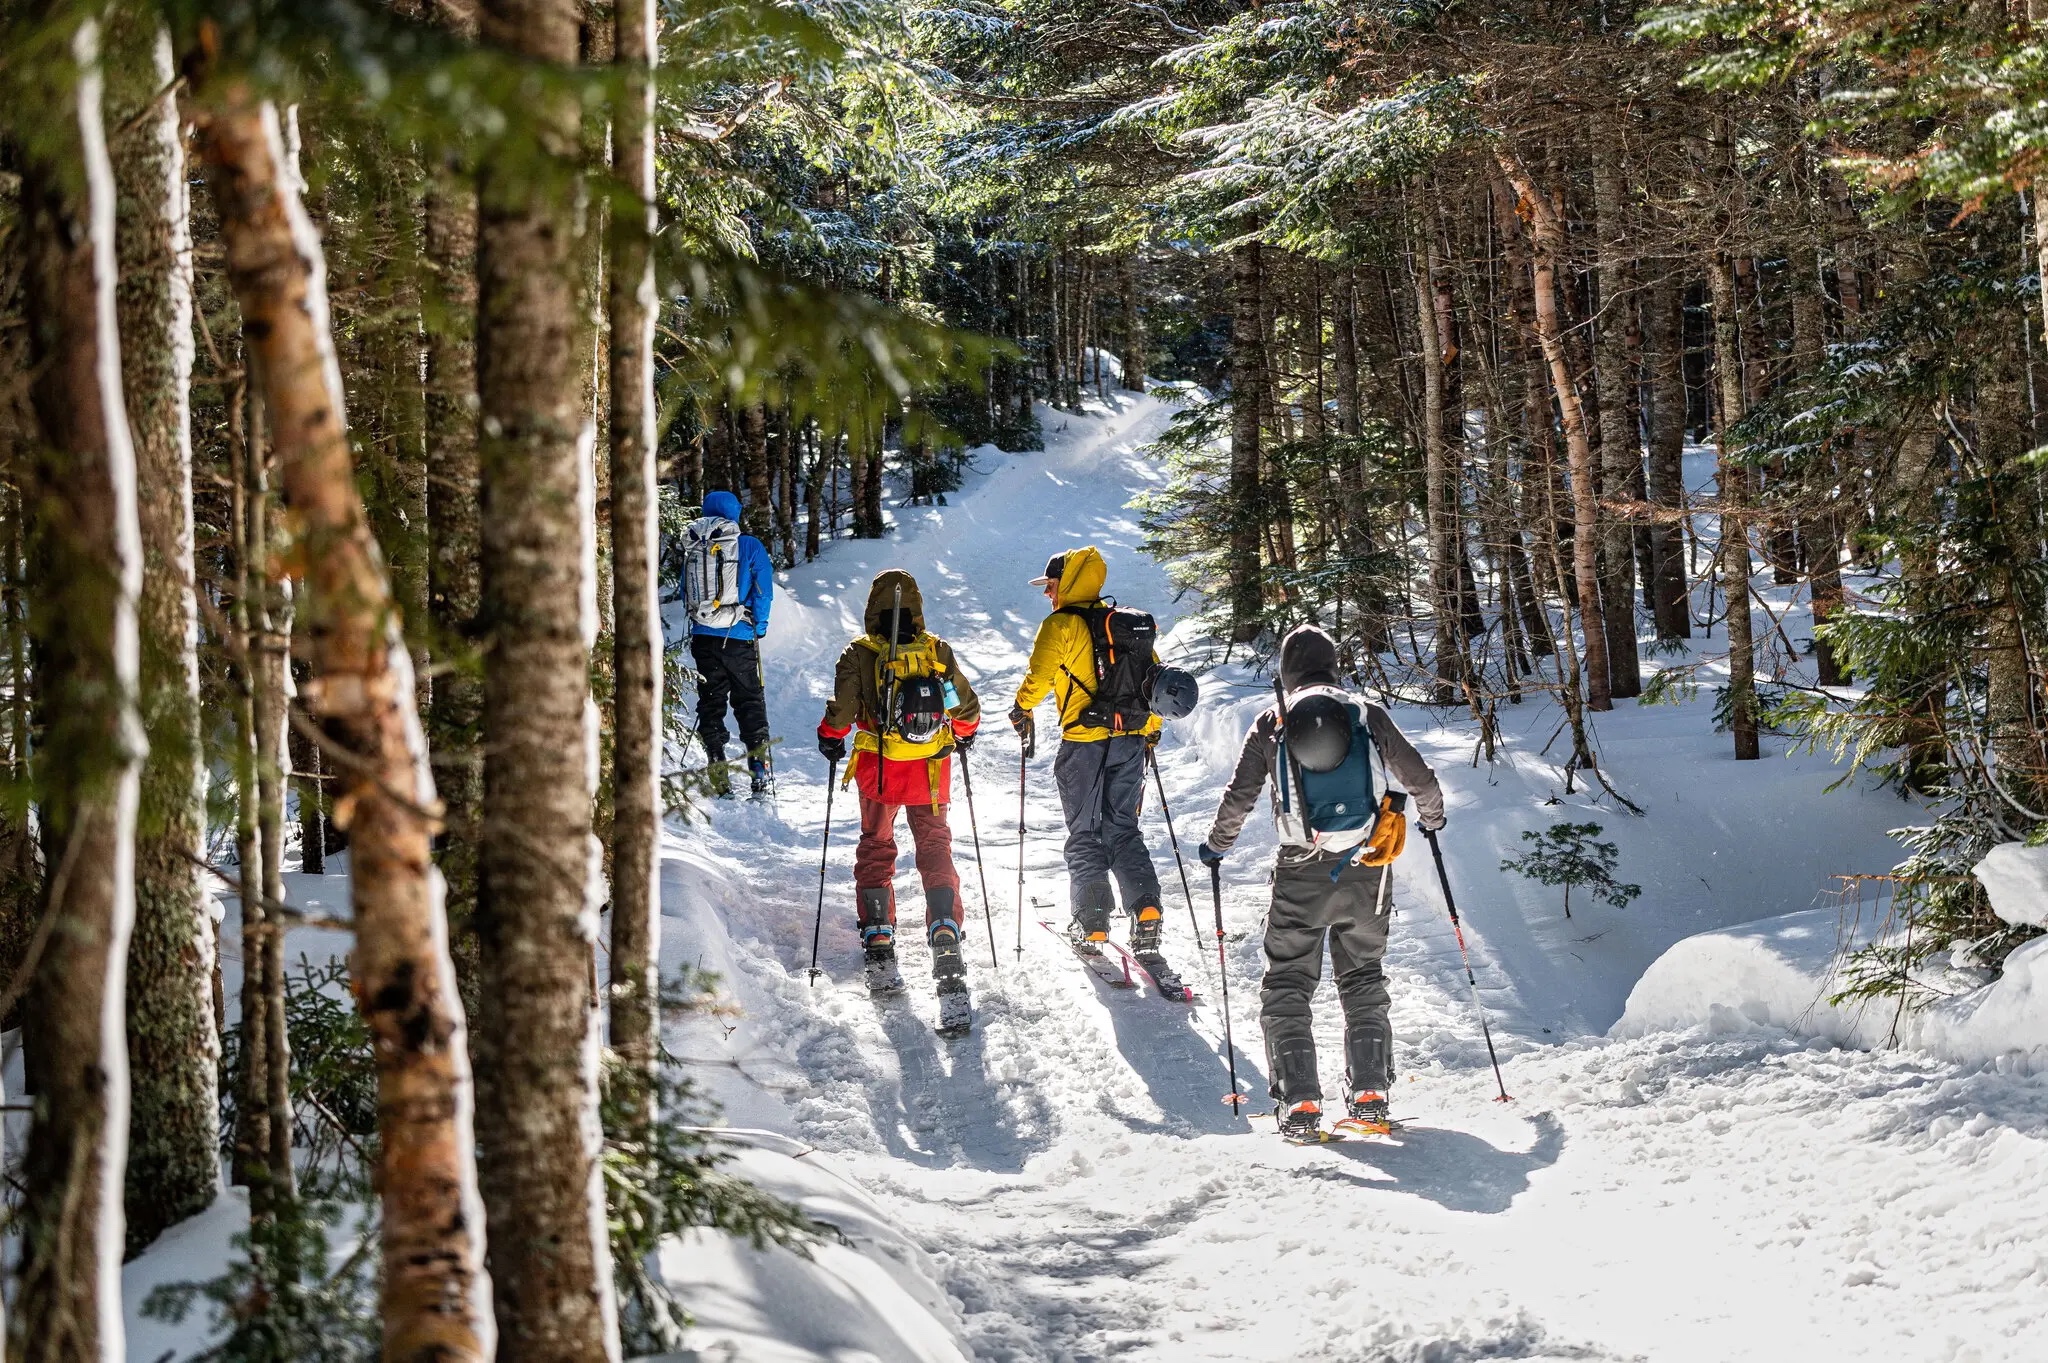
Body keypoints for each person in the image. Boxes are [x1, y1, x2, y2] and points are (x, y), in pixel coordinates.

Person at [1196, 623, 1446, 1142]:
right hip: (1368, 865)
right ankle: (1371, 1094)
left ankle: (1301, 1102)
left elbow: (1240, 795)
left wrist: (1218, 846)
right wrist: (1432, 816)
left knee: (1288, 981)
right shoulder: (1364, 713)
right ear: (1334, 664)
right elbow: (1417, 775)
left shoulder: (1273, 720)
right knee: (1362, 976)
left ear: (1286, 672)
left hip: (1301, 867)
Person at [1010, 546, 1183, 991]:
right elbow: (1154, 682)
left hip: (1084, 745)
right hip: (1129, 741)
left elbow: (1039, 675)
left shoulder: (1061, 624)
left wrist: (1021, 707)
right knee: (1123, 829)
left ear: (1065, 584)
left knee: (1085, 833)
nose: (1048, 594)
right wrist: (1151, 729)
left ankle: (1092, 924)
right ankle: (1146, 912)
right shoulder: (1128, 625)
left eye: (1050, 586)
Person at [817, 570, 981, 1024]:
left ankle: (878, 935)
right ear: (916, 607)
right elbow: (965, 708)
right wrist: (962, 733)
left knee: (876, 845)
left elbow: (844, 712)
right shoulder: (935, 650)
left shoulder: (858, 653)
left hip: (881, 768)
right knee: (934, 845)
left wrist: (829, 735)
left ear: (872, 609)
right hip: (931, 767)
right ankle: (945, 928)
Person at [684, 489, 774, 797]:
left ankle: (717, 763)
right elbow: (763, 591)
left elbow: (687, 590)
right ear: (735, 511)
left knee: (711, 700)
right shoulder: (748, 545)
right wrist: (758, 627)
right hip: (738, 637)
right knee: (749, 700)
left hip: (703, 637)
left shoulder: (695, 544)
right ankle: (759, 769)